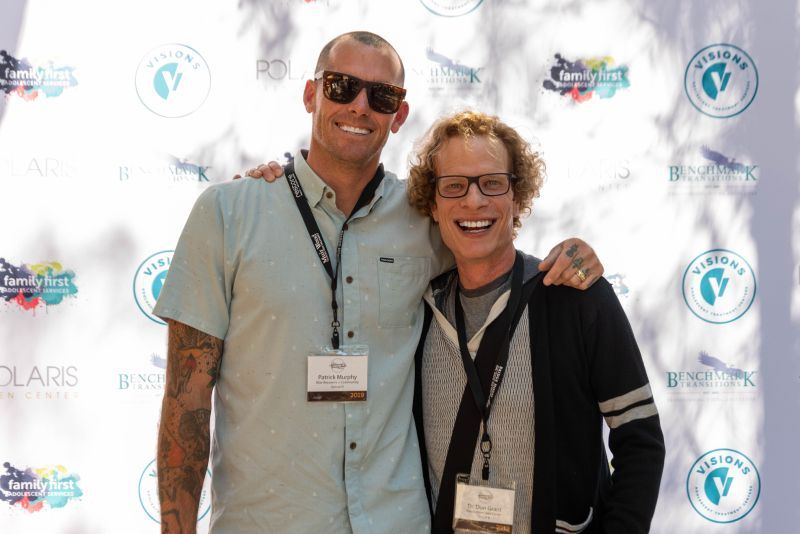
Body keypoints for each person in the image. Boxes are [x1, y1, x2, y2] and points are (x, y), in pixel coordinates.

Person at [154, 31, 603, 533]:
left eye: (382, 95)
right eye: (342, 86)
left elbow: (492, 243)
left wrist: (576, 258)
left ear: (399, 114)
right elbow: (186, 401)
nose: (360, 106)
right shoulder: (230, 213)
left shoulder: (426, 217)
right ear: (311, 94)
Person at [405, 110, 665, 533]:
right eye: (453, 186)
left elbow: (641, 441)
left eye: (492, 183)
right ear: (432, 205)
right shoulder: (416, 312)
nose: (473, 201)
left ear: (518, 197)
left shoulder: (577, 299)